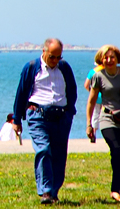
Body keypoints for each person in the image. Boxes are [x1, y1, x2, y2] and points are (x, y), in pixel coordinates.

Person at [11, 38, 78, 205]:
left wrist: (69, 112)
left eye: (58, 57)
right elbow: (21, 93)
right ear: (44, 52)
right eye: (52, 57)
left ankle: (54, 191)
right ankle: (45, 191)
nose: (55, 61)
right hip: (38, 115)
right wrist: (17, 118)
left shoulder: (64, 68)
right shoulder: (32, 67)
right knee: (44, 149)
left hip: (61, 117)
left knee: (59, 155)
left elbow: (72, 90)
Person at [84, 45, 120, 203]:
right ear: (101, 60)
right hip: (107, 119)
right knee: (116, 151)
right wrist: (89, 124)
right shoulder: (98, 76)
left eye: (112, 57)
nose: (109, 60)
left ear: (117, 58)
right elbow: (91, 101)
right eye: (105, 57)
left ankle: (115, 191)